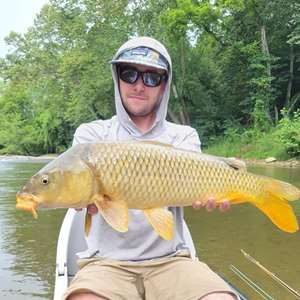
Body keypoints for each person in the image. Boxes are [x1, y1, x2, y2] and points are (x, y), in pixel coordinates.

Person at [64, 36, 238, 300]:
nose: (138, 86)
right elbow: (74, 193)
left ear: (164, 85)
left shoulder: (183, 137)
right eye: (129, 74)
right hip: (107, 263)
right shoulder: (91, 136)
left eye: (151, 78)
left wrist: (213, 195)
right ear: (117, 77)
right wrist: (77, 201)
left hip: (172, 260)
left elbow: (199, 187)